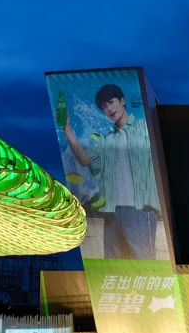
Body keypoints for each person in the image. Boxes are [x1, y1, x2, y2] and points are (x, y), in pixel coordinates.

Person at [60, 82, 161, 259]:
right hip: (112, 213)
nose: (109, 109)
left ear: (122, 101)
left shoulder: (145, 128)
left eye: (111, 102)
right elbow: (84, 159)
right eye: (104, 107)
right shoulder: (106, 141)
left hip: (139, 211)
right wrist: (67, 129)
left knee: (143, 265)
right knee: (112, 266)